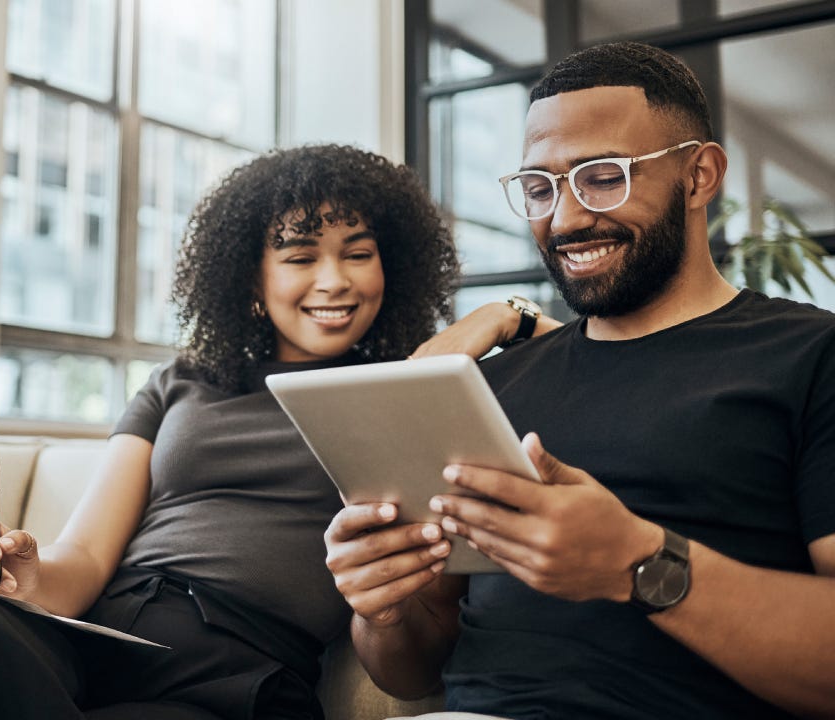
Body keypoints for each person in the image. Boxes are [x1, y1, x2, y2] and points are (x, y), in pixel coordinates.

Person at [0, 144, 540, 720]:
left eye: (358, 253)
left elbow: (599, 363)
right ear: (250, 278)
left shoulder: (415, 389)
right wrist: (26, 577)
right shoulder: (182, 380)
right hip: (96, 638)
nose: (335, 281)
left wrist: (514, 315)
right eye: (300, 258)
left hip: (233, 677)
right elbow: (83, 557)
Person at [324, 41, 835, 720]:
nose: (564, 219)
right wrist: (384, 611)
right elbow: (415, 673)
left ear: (700, 175)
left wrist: (639, 563)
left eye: (603, 176)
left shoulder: (811, 357)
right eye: (539, 187)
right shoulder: (494, 389)